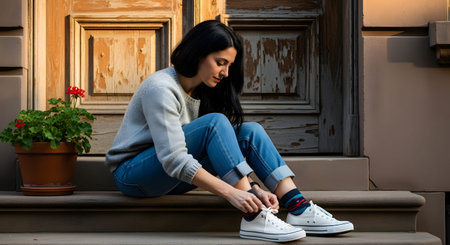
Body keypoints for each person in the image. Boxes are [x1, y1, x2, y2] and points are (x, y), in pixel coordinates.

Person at [105, 20, 353, 242]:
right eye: (220, 63)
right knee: (215, 123)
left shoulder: (204, 89)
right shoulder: (161, 88)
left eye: (229, 65)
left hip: (173, 178)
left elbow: (220, 152)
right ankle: (253, 214)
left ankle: (297, 207)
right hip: (134, 176)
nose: (225, 73)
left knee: (249, 131)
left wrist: (253, 188)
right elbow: (173, 159)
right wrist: (233, 194)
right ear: (198, 54)